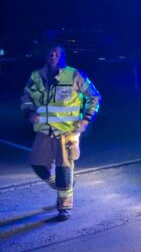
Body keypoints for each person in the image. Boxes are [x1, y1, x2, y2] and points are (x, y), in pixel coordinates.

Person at [20, 46, 101, 221]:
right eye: (50, 52)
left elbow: (94, 97)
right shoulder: (36, 76)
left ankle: (64, 207)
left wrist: (86, 119)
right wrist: (29, 112)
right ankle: (61, 184)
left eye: (57, 53)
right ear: (45, 55)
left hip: (67, 131)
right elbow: (26, 98)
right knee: (38, 165)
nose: (53, 55)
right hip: (44, 130)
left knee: (63, 168)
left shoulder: (75, 75)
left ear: (63, 56)